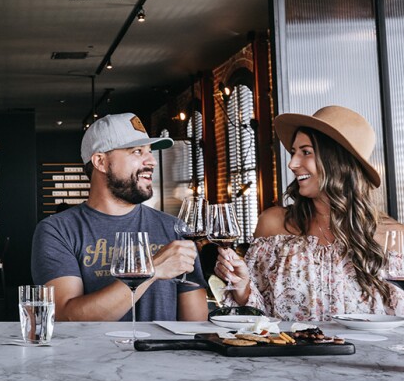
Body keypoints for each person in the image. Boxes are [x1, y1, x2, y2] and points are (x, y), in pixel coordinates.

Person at [216, 105, 404, 321]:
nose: (292, 163)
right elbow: (256, 320)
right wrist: (242, 288)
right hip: (288, 354)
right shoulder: (274, 225)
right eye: (294, 152)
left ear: (338, 161)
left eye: (306, 152)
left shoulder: (394, 237)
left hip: (366, 355)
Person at [32, 113, 208, 321]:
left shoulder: (174, 228)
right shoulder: (58, 230)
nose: (151, 161)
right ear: (101, 162)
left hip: (163, 354)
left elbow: (195, 325)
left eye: (150, 152)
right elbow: (65, 317)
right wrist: (150, 270)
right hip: (91, 354)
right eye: (137, 152)